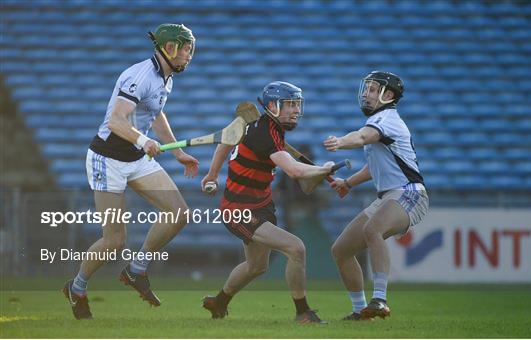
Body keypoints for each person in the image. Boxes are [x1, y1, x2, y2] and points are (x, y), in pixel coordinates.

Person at [62, 23, 199, 319]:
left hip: (136, 158)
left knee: (179, 213)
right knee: (114, 241)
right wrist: (143, 139)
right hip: (107, 158)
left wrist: (176, 152)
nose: (190, 55)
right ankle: (77, 286)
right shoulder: (139, 75)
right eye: (186, 49)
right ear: (170, 48)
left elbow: (156, 112)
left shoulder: (166, 79)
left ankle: (136, 270)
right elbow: (115, 121)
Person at [201, 81, 334, 324]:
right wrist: (324, 170)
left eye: (297, 105)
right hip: (238, 210)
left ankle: (219, 302)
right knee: (296, 248)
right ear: (272, 106)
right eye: (290, 105)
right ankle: (303, 313)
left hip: (261, 205)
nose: (295, 110)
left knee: (257, 266)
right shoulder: (264, 133)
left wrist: (212, 174)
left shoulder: (268, 129)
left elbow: (226, 140)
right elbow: (294, 171)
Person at [323, 71, 429, 321]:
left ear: (388, 95)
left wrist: (340, 142)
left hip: (410, 192)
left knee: (373, 230)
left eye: (372, 89)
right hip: (388, 196)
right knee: (341, 250)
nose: (366, 94)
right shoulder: (380, 121)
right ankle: (361, 311)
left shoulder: (386, 119)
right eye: (366, 88)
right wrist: (347, 183)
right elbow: (375, 167)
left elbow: (361, 137)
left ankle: (380, 299)